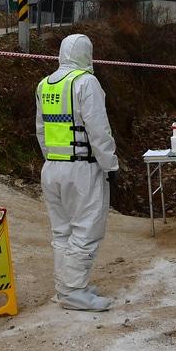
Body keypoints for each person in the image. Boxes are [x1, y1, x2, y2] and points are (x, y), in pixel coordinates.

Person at [35, 33, 119, 311]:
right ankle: (73, 292)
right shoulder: (86, 83)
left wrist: (53, 159)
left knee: (62, 232)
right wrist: (111, 165)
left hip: (53, 168)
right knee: (86, 230)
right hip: (82, 169)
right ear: (87, 54)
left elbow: (41, 129)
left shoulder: (44, 85)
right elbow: (98, 131)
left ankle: (66, 287)